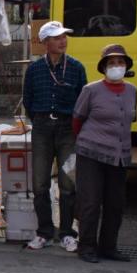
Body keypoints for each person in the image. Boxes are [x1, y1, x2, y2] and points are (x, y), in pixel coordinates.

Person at [22, 20, 87, 252]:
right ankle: (44, 232)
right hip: (41, 127)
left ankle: (68, 232)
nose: (63, 41)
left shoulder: (77, 67)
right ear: (46, 42)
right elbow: (27, 100)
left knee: (68, 182)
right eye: (57, 37)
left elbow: (83, 101)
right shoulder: (34, 69)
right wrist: (39, 119)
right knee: (39, 183)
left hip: (68, 128)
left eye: (64, 37)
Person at [71, 44, 137, 263]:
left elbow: (129, 119)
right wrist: (85, 142)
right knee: (90, 202)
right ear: (103, 67)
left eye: (120, 63)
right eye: (111, 63)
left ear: (126, 66)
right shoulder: (91, 90)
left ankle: (109, 246)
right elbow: (78, 119)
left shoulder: (132, 91)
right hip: (91, 152)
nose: (116, 67)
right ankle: (86, 246)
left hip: (119, 155)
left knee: (115, 204)